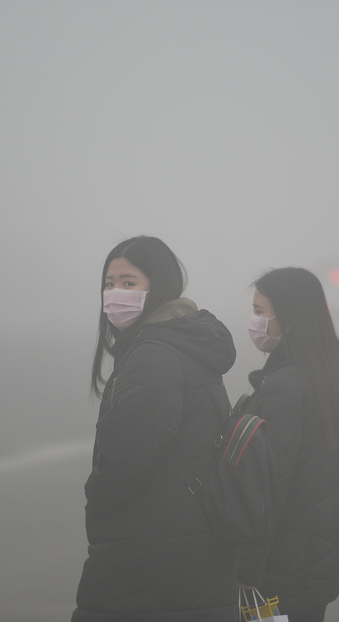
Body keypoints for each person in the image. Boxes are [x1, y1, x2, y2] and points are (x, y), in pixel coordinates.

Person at [72, 235, 239, 622]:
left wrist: (95, 497)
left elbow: (128, 461)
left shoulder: (153, 357)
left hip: (148, 564)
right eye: (109, 283)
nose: (115, 293)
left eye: (129, 283)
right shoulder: (178, 345)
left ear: (158, 285)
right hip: (186, 555)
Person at [237, 267, 339, 622]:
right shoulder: (324, 376)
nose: (254, 322)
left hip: (277, 575)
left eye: (261, 312)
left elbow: (268, 488)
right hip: (310, 566)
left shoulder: (285, 387)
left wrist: (246, 573)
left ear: (291, 318)